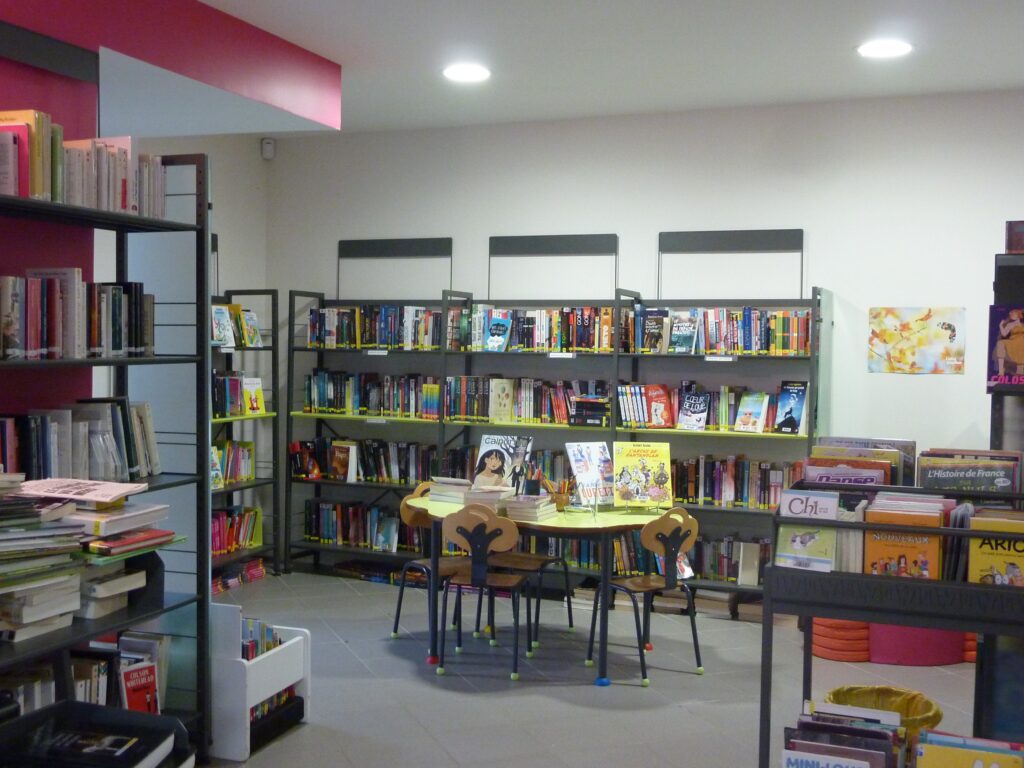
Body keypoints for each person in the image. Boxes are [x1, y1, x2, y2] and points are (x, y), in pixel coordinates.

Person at [994, 308, 1024, 376]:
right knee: (1000, 343)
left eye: (1013, 314)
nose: (1011, 315)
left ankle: (1020, 369)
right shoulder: (1010, 324)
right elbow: (1004, 334)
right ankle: (1001, 370)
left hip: (1022, 343)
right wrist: (1000, 326)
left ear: (1018, 315)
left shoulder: (1022, 324)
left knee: (1020, 373)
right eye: (1011, 314)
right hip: (1013, 342)